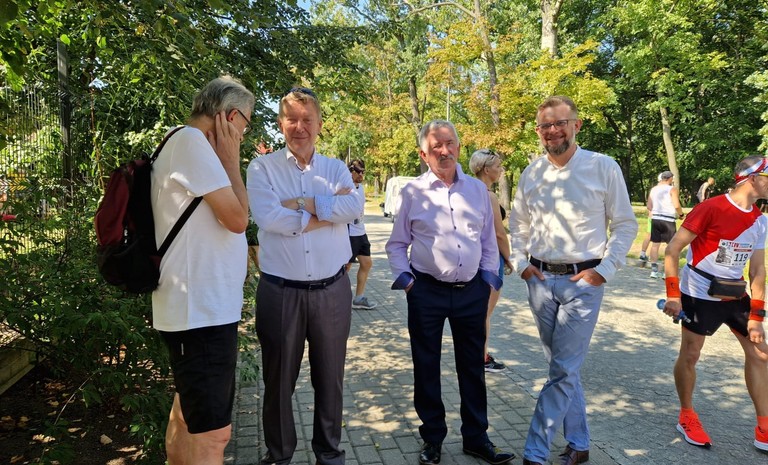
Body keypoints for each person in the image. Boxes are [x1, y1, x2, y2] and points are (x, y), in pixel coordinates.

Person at [508, 96, 637, 465]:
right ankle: (579, 445)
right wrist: (521, 264)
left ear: (576, 125)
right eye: (545, 125)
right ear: (538, 131)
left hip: (582, 283)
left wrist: (604, 271)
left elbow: (625, 224)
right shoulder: (532, 173)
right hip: (539, 282)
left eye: (559, 123)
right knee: (563, 369)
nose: (552, 131)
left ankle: (535, 453)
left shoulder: (602, 167)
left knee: (563, 368)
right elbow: (518, 226)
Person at [386, 120, 515, 465]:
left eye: (450, 143)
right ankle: (432, 438)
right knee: (426, 366)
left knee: (472, 367)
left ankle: (476, 437)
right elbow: (397, 244)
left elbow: (488, 240)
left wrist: (488, 279)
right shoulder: (412, 192)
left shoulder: (477, 190)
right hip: (426, 291)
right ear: (423, 154)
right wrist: (407, 282)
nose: (444, 151)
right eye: (436, 146)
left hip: (472, 291)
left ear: (458, 146)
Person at [246, 87, 363, 465]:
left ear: (320, 124)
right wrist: (328, 212)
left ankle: (329, 454)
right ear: (281, 123)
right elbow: (268, 218)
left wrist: (299, 204)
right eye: (292, 119)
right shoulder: (262, 168)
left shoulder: (335, 168)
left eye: (307, 120)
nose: (300, 127)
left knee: (330, 379)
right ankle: (279, 455)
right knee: (279, 381)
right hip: (280, 292)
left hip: (332, 290)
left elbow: (354, 206)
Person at [150, 76, 253, 465]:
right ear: (230, 117)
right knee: (213, 435)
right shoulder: (192, 143)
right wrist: (231, 162)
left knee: (187, 416)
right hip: (201, 315)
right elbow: (238, 219)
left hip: (197, 312)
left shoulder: (181, 142)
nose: (243, 134)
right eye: (245, 124)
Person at [662, 156, 768, 452]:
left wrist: (757, 316)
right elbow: (672, 250)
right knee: (691, 354)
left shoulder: (760, 220)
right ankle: (686, 415)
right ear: (752, 178)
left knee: (761, 354)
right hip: (699, 294)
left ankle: (764, 426)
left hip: (735, 295)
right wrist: (673, 295)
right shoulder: (711, 207)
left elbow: (758, 270)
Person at [469, 148, 512, 373]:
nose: (501, 170)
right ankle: (481, 358)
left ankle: (474, 354)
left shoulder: (464, 191)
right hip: (491, 260)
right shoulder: (489, 195)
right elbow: (499, 233)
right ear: (486, 170)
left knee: (476, 311)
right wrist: (510, 258)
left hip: (472, 259)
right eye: (498, 166)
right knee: (485, 313)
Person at [346, 159, 377, 310]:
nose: (361, 175)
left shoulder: (361, 188)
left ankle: (358, 298)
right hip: (349, 234)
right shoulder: (346, 188)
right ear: (350, 171)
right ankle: (339, 298)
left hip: (360, 232)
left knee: (366, 263)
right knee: (345, 268)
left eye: (363, 172)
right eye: (358, 171)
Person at [648, 171, 684, 279]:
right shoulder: (672, 189)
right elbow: (676, 205)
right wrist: (681, 214)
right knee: (670, 245)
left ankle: (654, 271)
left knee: (655, 244)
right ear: (670, 178)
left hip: (656, 218)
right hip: (668, 219)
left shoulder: (654, 189)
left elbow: (649, 205)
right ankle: (666, 271)